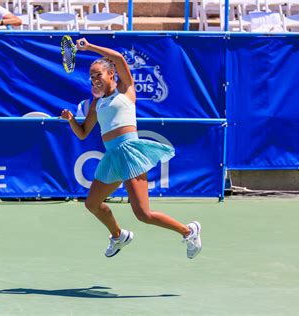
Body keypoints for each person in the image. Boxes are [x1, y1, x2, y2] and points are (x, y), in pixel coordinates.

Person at [60, 38, 202, 259]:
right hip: (112, 157)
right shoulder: (97, 104)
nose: (95, 79)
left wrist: (89, 47)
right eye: (92, 76)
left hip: (130, 153)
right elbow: (83, 133)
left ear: (111, 75)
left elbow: (117, 58)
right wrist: (70, 120)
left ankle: (189, 231)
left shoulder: (126, 91)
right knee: (92, 204)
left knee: (143, 214)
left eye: (99, 74)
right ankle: (118, 235)